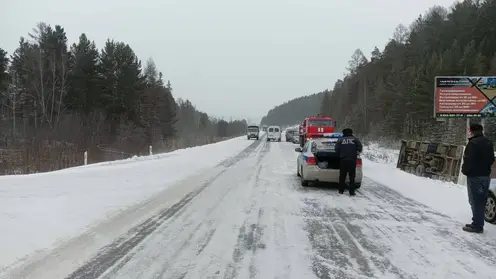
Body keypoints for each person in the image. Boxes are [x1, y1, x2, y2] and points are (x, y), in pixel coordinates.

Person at [461, 123, 494, 233]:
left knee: (474, 200)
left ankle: (477, 225)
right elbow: (491, 159)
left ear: (472, 131)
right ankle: (477, 222)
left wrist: (465, 171)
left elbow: (468, 159)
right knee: (482, 200)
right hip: (485, 176)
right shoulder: (488, 142)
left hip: (474, 176)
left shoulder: (473, 143)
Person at [335, 128, 363, 196]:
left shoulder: (340, 140)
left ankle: (341, 190)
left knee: (342, 176)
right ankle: (351, 192)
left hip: (343, 160)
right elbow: (360, 147)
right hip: (352, 160)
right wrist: (355, 153)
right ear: (351, 132)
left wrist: (340, 154)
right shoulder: (355, 139)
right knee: (352, 176)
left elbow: (336, 149)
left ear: (343, 133)